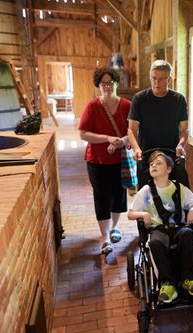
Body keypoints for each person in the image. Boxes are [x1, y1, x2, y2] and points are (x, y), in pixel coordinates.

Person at [128, 151, 193, 303]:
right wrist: (143, 214)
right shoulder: (145, 191)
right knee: (155, 242)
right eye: (151, 164)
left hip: (178, 227)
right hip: (158, 230)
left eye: (159, 163)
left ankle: (189, 279)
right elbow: (131, 214)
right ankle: (167, 284)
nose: (153, 165)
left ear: (169, 169)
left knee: (188, 234)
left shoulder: (179, 188)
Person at [78, 67, 131, 255]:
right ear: (98, 85)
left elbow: (133, 132)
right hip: (97, 160)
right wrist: (107, 139)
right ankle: (105, 237)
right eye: (103, 83)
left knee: (118, 194)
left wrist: (120, 142)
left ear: (117, 83)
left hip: (120, 160)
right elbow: (83, 134)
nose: (107, 86)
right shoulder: (92, 106)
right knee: (101, 197)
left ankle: (115, 228)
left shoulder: (126, 105)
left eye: (110, 82)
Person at [127, 60, 188, 162]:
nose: (156, 83)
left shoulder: (179, 99)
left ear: (168, 80)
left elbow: (184, 129)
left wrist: (181, 145)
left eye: (161, 79)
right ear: (150, 77)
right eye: (154, 78)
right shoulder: (139, 99)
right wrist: (135, 148)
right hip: (145, 155)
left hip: (171, 156)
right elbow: (132, 129)